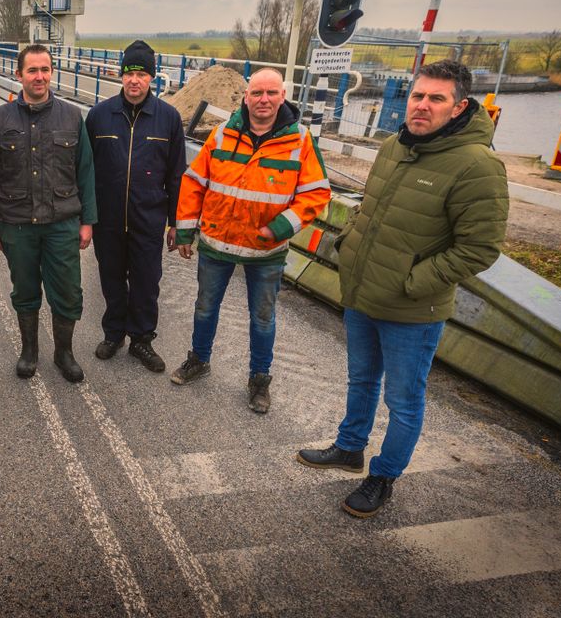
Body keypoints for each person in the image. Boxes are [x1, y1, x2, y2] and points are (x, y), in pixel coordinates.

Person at [297, 59, 508, 518]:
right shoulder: (394, 146)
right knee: (361, 379)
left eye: (436, 99)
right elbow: (369, 209)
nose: (422, 106)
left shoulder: (478, 166)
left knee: (403, 400)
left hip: (413, 310)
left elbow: (480, 249)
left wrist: (412, 282)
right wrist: (350, 243)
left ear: (459, 107)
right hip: (363, 294)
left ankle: (383, 477)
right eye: (417, 95)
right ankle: (350, 447)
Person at [173, 67, 331, 413]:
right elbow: (194, 182)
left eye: (271, 93)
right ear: (246, 97)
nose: (263, 99)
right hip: (217, 243)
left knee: (262, 318)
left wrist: (280, 228)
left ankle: (259, 380)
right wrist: (185, 230)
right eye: (257, 93)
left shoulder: (301, 141)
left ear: (282, 96)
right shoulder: (221, 135)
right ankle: (198, 359)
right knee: (204, 307)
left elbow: (316, 194)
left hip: (266, 250)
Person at [0, 44, 97, 383]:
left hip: (63, 224)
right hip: (17, 225)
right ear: (19, 75)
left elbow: (85, 172)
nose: (39, 76)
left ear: (51, 72)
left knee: (68, 292)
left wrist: (87, 221)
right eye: (32, 70)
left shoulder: (72, 117)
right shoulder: (0, 120)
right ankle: (29, 351)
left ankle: (64, 352)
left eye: (45, 69)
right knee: (25, 291)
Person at [85, 40, 186, 372]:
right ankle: (114, 334)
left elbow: (176, 175)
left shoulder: (168, 119)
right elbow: (83, 171)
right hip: (108, 220)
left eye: (142, 73)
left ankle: (142, 340)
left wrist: (177, 223)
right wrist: (86, 216)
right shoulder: (99, 117)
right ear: (120, 76)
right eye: (129, 73)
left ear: (152, 78)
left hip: (148, 219)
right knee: (111, 279)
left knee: (146, 282)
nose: (134, 80)